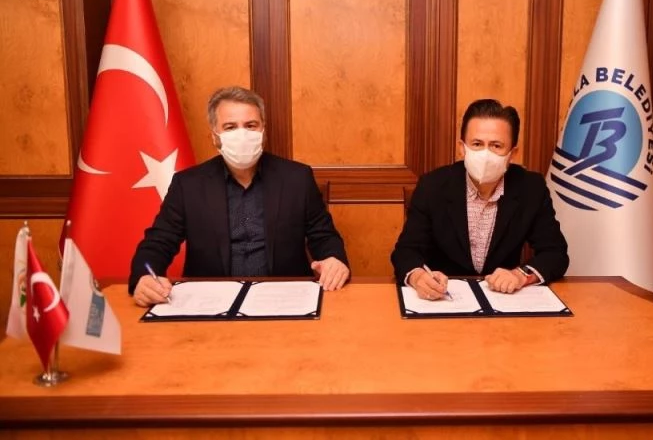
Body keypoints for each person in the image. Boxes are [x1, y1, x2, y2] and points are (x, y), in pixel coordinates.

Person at [129, 86, 349, 306]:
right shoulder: (187, 185)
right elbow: (158, 243)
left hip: (283, 299)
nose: (242, 134)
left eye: (251, 125)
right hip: (211, 303)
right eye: (230, 127)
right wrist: (144, 276)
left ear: (263, 131)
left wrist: (334, 260)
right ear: (214, 136)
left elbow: (324, 237)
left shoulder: (297, 178)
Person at [392, 99, 568, 300]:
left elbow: (555, 253)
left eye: (496, 146)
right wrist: (418, 277)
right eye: (477, 144)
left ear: (512, 153)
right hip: (444, 299)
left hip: (504, 299)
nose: (485, 154)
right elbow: (406, 252)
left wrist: (521, 275)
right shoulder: (432, 186)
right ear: (462, 147)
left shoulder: (531, 188)